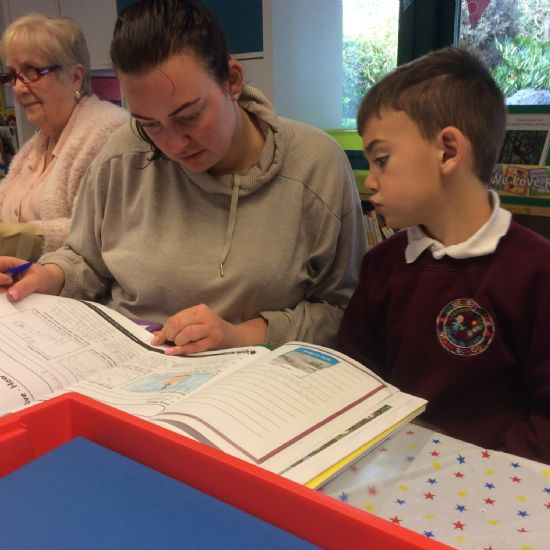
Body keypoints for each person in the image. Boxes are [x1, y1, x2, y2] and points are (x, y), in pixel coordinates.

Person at [0, 0, 367, 355]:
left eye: (189, 116)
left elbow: (342, 312)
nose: (174, 144)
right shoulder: (123, 153)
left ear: (232, 80)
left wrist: (240, 334)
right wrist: (49, 276)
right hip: (124, 362)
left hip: (252, 375)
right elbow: (86, 260)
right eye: (149, 125)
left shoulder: (314, 165)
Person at [338, 46, 550, 463]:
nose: (371, 181)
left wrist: (480, 471)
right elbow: (355, 379)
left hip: (497, 481)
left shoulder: (537, 273)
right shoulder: (381, 265)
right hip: (387, 468)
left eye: (382, 160)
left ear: (449, 151)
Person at [0, 13, 129, 261]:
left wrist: (15, 240)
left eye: (32, 71)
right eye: (13, 75)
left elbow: (99, 232)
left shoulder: (109, 132)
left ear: (75, 76)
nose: (17, 88)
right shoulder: (35, 146)